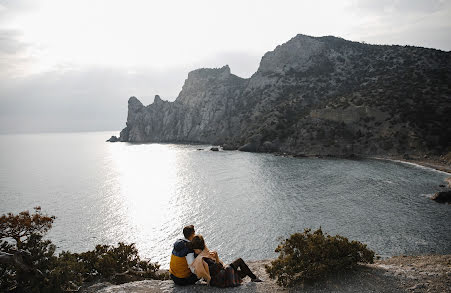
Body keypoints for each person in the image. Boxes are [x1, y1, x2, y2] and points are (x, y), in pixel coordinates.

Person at [189, 235, 262, 288]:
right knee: (239, 261)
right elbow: (216, 269)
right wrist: (216, 258)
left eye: (195, 249)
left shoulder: (201, 256)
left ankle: (253, 278)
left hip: (220, 278)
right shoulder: (202, 259)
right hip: (221, 279)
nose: (194, 251)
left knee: (243, 272)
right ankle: (254, 278)